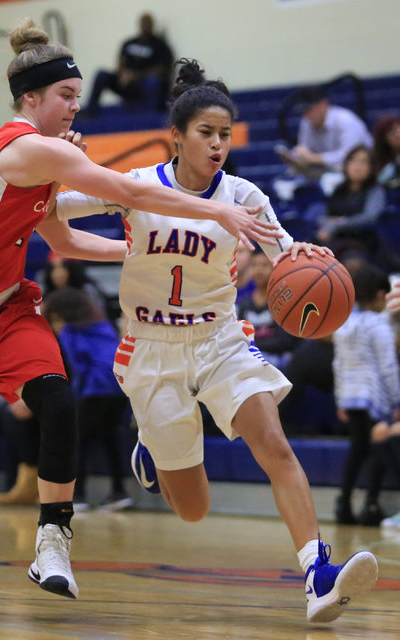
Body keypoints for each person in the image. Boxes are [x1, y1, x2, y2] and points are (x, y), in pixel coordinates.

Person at [0, 22, 280, 602]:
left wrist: (138, 249)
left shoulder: (49, 157)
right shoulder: (25, 148)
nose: (77, 106)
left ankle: (53, 538)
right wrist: (213, 214)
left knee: (57, 400)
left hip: (7, 303)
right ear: (32, 99)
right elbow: (135, 195)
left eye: (77, 96)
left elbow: (68, 242)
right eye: (66, 97)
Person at [56, 58, 378, 622]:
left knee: (275, 446)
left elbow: (285, 255)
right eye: (206, 132)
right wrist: (52, 166)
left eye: (225, 134)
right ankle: (152, 447)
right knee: (194, 509)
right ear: (176, 137)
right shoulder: (135, 188)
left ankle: (317, 573)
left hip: (220, 339)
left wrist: (307, 256)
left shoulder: (246, 195)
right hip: (151, 348)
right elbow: (54, 210)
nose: (218, 143)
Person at [43, 286, 132, 511]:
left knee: (78, 443)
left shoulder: (70, 332)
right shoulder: (103, 325)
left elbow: (79, 367)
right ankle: (119, 493)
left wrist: (75, 396)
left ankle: (78, 495)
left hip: (93, 391)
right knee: (110, 440)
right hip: (118, 390)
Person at [332, 264, 400, 525]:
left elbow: (337, 364)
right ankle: (371, 503)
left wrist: (340, 398)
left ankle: (344, 502)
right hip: (374, 395)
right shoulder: (377, 325)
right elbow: (388, 366)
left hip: (350, 395)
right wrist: (396, 400)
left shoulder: (343, 324)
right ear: (381, 295)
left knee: (357, 449)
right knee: (377, 447)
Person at [275, 85, 373, 197]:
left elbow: (349, 158)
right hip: (326, 171)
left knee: (330, 180)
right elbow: (305, 151)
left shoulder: (346, 121)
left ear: (323, 104)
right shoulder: (306, 122)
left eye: (309, 109)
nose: (306, 115)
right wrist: (294, 159)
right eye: (303, 111)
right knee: (286, 183)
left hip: (360, 173)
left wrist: (313, 158)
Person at [83, 12, 173, 116]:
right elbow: (121, 61)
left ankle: (150, 117)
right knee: (101, 74)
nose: (146, 25)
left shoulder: (160, 45)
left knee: (154, 81)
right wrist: (122, 75)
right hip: (127, 83)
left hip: (144, 84)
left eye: (148, 23)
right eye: (143, 22)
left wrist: (137, 76)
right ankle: (90, 112)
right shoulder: (129, 43)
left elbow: (163, 69)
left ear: (152, 25)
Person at [316, 145, 386, 259]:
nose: (357, 166)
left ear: (371, 167)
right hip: (334, 240)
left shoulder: (375, 190)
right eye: (353, 160)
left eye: (364, 162)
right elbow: (327, 214)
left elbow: (370, 217)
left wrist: (339, 223)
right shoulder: (339, 189)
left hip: (362, 242)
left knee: (350, 262)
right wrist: (327, 223)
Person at [236, 247, 298, 370]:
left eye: (264, 266)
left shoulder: (283, 302)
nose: (258, 270)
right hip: (251, 357)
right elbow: (238, 338)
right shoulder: (244, 303)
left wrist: (252, 345)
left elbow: (285, 342)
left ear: (274, 269)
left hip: (278, 358)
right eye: (254, 265)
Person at [373, 114, 400, 189]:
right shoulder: (379, 159)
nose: (398, 134)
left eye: (398, 128)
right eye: (392, 132)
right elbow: (379, 181)